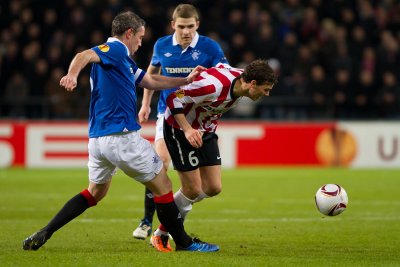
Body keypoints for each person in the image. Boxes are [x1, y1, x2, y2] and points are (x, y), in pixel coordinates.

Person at [22, 10, 219, 253]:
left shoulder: (123, 61)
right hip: (122, 138)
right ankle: (184, 243)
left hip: (98, 141)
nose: (140, 43)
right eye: (139, 37)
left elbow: (150, 81)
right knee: (165, 185)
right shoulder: (114, 50)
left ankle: (45, 231)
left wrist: (185, 81)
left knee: (95, 193)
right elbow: (84, 55)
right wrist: (72, 74)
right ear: (129, 33)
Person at [151, 60, 277, 252]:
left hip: (205, 130)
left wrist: (209, 69)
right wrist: (187, 130)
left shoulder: (241, 78)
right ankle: (165, 235)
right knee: (192, 189)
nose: (266, 94)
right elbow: (173, 98)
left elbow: (220, 65)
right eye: (265, 89)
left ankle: (164, 229)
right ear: (252, 84)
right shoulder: (212, 87)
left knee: (213, 187)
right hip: (179, 129)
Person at [133, 3, 228, 241]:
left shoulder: (210, 47)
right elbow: (151, 76)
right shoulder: (162, 45)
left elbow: (223, 75)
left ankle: (181, 203)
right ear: (173, 25)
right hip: (168, 115)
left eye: (190, 26)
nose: (186, 31)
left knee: (210, 187)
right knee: (160, 164)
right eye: (182, 26)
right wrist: (145, 104)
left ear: (197, 25)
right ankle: (146, 222)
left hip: (196, 119)